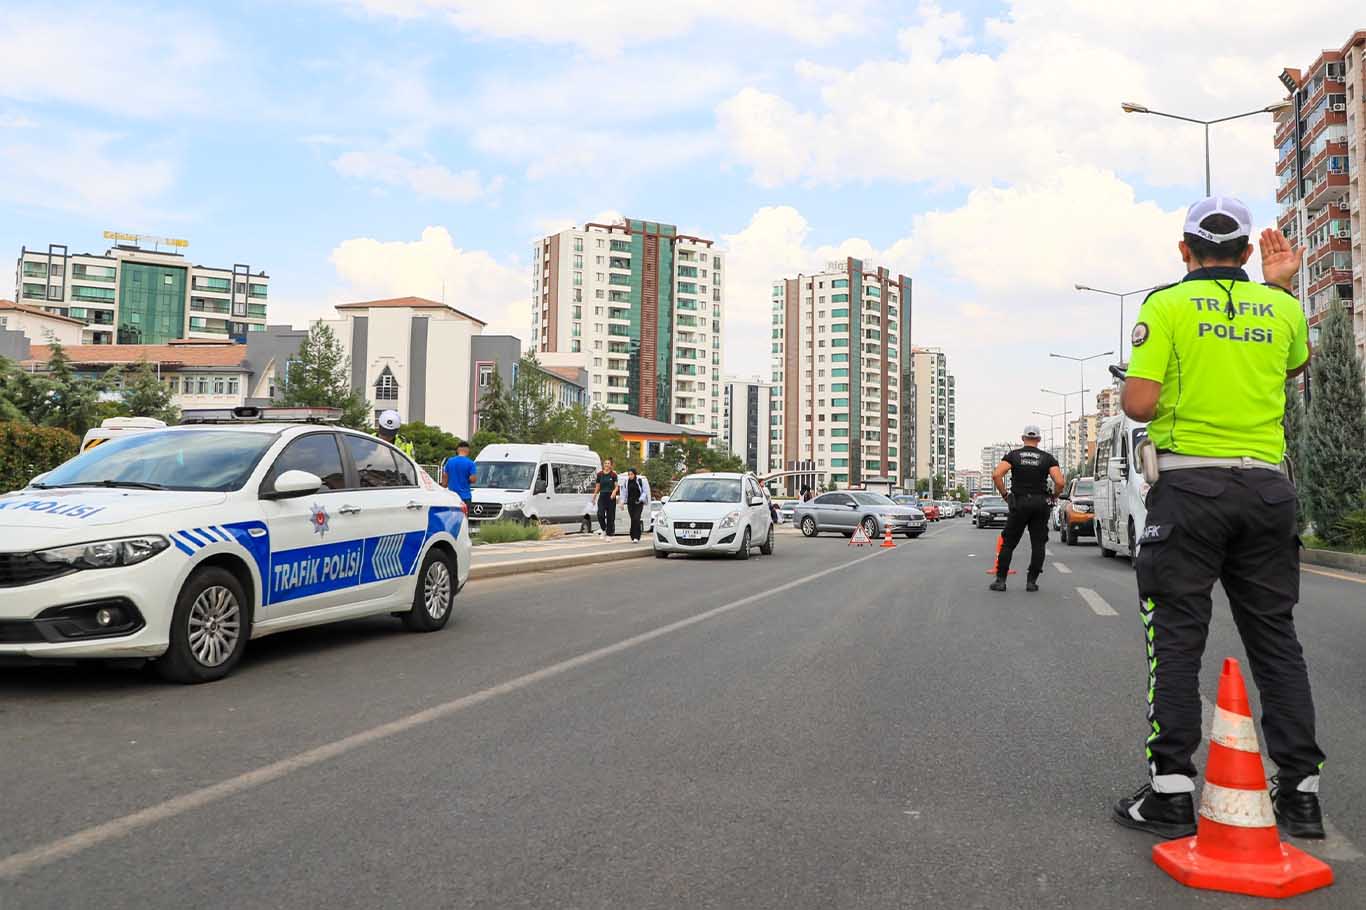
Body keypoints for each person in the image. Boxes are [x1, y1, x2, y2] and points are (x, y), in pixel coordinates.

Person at [1111, 196, 1325, 841]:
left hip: (1189, 489)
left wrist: (1135, 383)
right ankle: (1302, 795)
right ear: (1246, 252)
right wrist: (1277, 289)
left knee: (1176, 638)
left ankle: (1171, 792)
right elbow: (1294, 365)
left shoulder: (1166, 305)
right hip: (1266, 490)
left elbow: (1142, 406)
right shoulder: (1284, 308)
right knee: (1276, 641)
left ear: (1185, 250)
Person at [990, 424, 1065, 593]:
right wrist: (1054, 496)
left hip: (1020, 502)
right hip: (1040, 503)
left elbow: (996, 474)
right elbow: (1060, 482)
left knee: (1009, 542)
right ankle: (1031, 582)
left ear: (1023, 438)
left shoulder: (1013, 456)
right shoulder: (1048, 458)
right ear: (1038, 439)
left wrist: (1005, 495)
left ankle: (1001, 581)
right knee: (1038, 544)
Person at [440, 441, 477, 506]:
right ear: (467, 450)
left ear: (458, 450)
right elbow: (473, 479)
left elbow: (445, 479)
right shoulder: (470, 463)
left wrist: (444, 486)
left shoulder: (449, 461)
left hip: (452, 496)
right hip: (465, 497)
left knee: (451, 516)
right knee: (464, 516)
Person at [591, 458, 619, 536]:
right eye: (605, 463)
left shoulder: (613, 475)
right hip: (602, 496)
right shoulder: (599, 474)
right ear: (603, 465)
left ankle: (609, 533)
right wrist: (594, 497)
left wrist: (614, 492)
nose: (606, 464)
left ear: (611, 465)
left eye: (608, 463)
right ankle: (603, 528)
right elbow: (597, 487)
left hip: (611, 497)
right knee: (600, 514)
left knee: (610, 517)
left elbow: (616, 486)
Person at [623, 467, 651, 542]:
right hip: (630, 503)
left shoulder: (640, 481)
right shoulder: (626, 481)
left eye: (631, 474)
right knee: (633, 519)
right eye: (629, 474)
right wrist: (622, 502)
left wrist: (640, 499)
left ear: (635, 474)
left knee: (636, 518)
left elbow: (645, 492)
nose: (630, 476)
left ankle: (637, 537)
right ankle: (633, 536)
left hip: (638, 502)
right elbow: (624, 492)